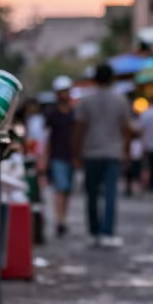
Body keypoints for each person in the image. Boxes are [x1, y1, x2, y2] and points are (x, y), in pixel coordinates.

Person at [74, 64, 132, 247]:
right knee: (110, 193)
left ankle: (93, 231)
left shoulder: (86, 101)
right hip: (113, 152)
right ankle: (107, 232)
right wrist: (127, 151)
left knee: (91, 194)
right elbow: (126, 128)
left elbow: (79, 128)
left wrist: (76, 152)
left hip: (91, 152)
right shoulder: (121, 100)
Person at [45, 76, 76, 237]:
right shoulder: (53, 113)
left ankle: (63, 218)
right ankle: (59, 220)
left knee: (68, 189)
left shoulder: (74, 112)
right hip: (57, 155)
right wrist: (44, 158)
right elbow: (48, 137)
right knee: (60, 188)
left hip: (71, 156)